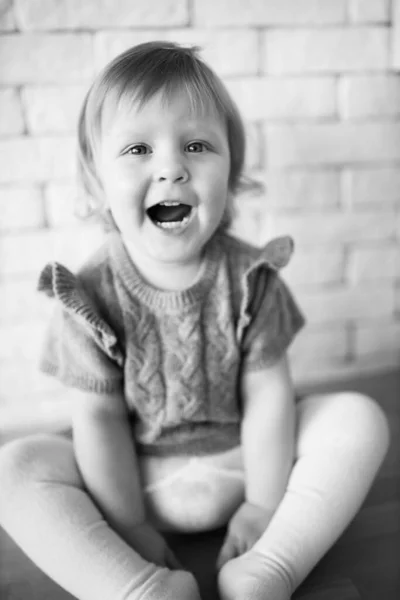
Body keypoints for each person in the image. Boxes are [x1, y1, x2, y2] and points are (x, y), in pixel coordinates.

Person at [0, 42, 390, 600]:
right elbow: (100, 420)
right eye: (138, 148)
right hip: (138, 485)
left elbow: (269, 397)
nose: (171, 167)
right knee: (13, 468)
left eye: (197, 145)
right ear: (96, 182)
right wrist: (129, 523)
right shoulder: (87, 296)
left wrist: (263, 503)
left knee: (358, 417)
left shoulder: (251, 278)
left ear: (229, 175)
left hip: (250, 469)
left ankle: (269, 569)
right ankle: (141, 588)